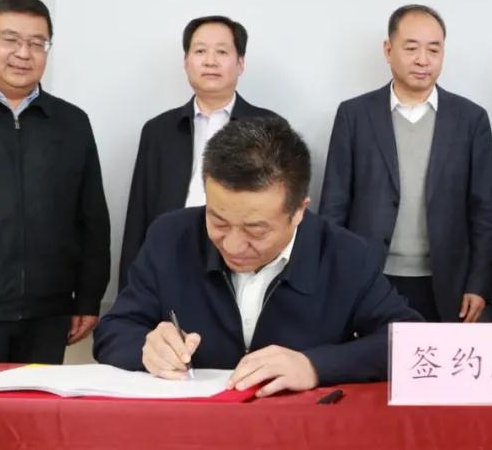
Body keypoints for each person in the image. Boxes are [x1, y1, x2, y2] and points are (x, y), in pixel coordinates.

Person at [94, 118, 423, 395]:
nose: (233, 246)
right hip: (194, 429)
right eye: (219, 222)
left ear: (298, 211)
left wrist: (315, 366)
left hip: (299, 433)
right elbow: (114, 329)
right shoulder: (170, 237)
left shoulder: (346, 255)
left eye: (256, 230)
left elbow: (410, 342)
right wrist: (146, 347)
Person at [318, 4, 492, 323]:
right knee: (373, 354)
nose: (422, 60)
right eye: (411, 48)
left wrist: (479, 284)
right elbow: (335, 204)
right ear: (388, 51)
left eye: (433, 49)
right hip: (371, 275)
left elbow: (484, 211)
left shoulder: (470, 119)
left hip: (447, 281)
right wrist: (336, 277)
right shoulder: (354, 115)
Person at [0, 0, 110, 365]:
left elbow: (91, 218)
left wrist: (88, 298)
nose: (24, 53)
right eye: (10, 39)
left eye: (37, 43)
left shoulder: (71, 122)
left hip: (48, 316)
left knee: (35, 405)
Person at [119, 15, 278, 289]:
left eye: (222, 52)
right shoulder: (158, 130)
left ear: (240, 63)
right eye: (200, 51)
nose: (210, 61)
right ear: (186, 61)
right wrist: (128, 288)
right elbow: (139, 214)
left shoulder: (268, 127)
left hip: (243, 260)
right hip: (173, 258)